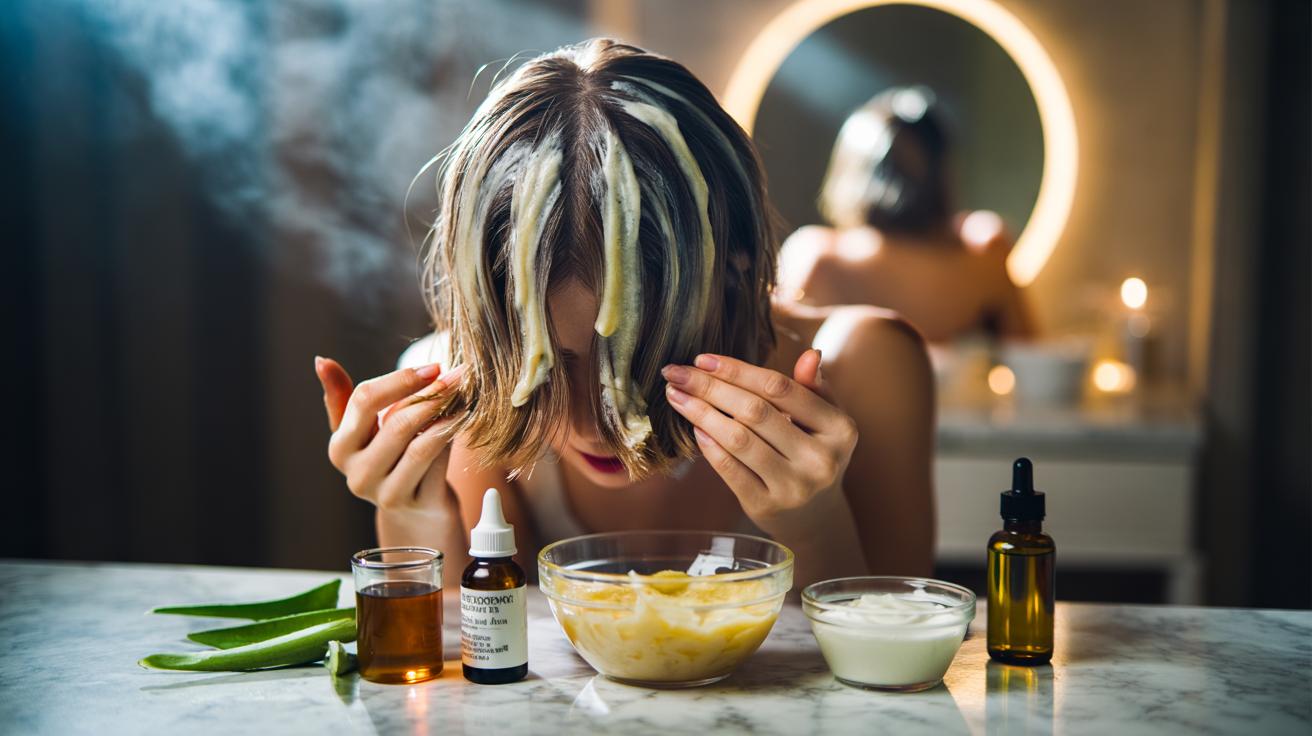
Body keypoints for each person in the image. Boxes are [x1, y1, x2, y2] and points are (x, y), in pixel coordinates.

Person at [313, 39, 934, 590]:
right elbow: (470, 686)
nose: (594, 425)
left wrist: (813, 521)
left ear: (737, 261)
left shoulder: (866, 363)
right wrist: (415, 517)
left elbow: (892, 688)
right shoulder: (464, 388)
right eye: (548, 364)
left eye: (642, 355)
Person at [777, 86, 1035, 343]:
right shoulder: (983, 258)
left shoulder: (819, 258)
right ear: (943, 174)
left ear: (854, 172)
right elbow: (1031, 356)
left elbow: (779, 349)